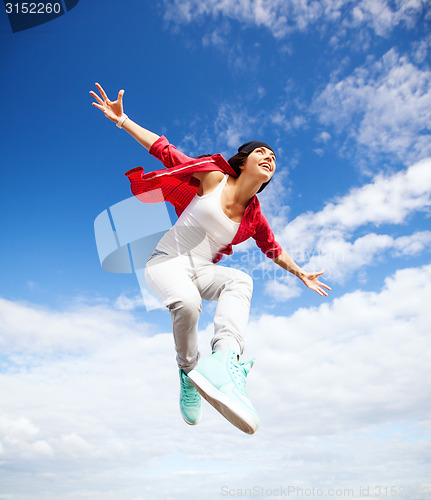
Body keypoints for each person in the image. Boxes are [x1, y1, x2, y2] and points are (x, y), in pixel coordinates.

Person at [90, 83, 331, 434]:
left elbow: (273, 249)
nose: (269, 157)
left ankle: (224, 360)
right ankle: (188, 372)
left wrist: (301, 274)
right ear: (243, 161)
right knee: (188, 304)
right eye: (261, 152)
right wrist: (122, 119)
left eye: (274, 157)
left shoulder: (254, 217)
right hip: (165, 262)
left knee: (240, 280)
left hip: (201, 270)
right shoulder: (213, 176)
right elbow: (165, 151)